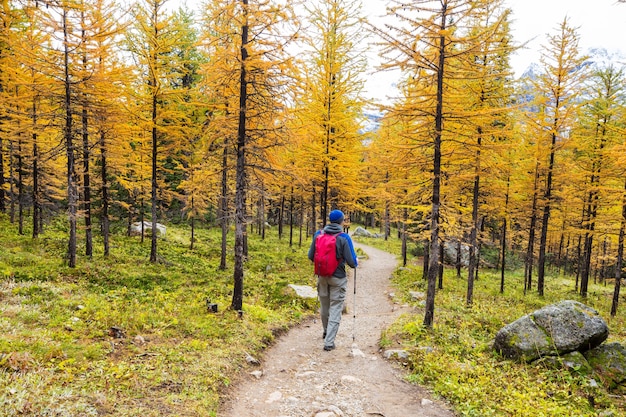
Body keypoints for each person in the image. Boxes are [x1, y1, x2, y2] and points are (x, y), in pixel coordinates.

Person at [308, 209, 358, 351]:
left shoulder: (319, 234)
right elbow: (352, 262)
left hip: (322, 276)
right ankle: (329, 342)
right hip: (338, 278)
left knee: (325, 306)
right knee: (336, 307)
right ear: (342, 221)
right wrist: (356, 261)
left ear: (329, 220)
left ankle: (325, 331)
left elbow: (311, 255)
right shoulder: (344, 237)